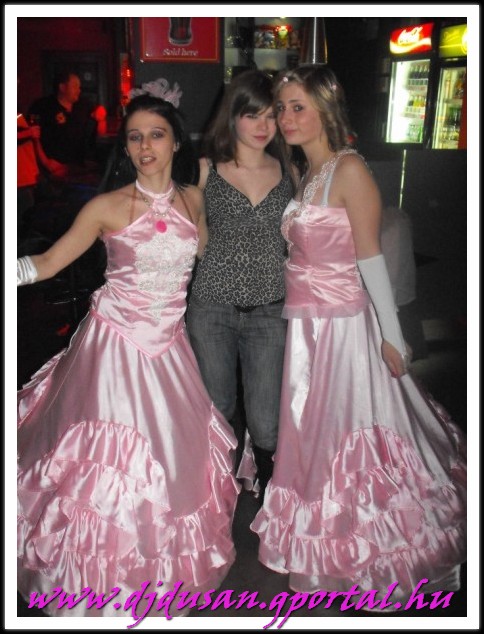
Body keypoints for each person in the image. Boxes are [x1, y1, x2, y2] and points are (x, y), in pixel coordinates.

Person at [250, 65, 466, 608]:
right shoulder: (309, 170)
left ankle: (373, 540)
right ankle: (323, 530)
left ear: (324, 108)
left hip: (341, 328)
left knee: (350, 432)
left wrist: (393, 337)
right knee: (313, 431)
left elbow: (371, 257)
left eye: (298, 106)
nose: (286, 118)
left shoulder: (348, 169)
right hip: (308, 326)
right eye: (282, 108)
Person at [17, 94, 240, 619]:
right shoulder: (106, 207)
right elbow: (47, 263)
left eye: (156, 134)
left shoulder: (194, 199)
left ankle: (155, 574)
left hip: (171, 351)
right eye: (135, 137)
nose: (145, 146)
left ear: (176, 141)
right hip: (114, 349)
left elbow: (202, 255)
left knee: (173, 464)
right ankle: (95, 580)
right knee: (104, 470)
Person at [185, 69, 297, 505]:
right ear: (233, 116)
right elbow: (190, 233)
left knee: (267, 420)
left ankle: (269, 498)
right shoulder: (205, 168)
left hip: (270, 309)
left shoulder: (290, 170)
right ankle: (216, 495)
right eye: (253, 115)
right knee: (218, 408)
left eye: (271, 115)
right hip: (212, 307)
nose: (263, 125)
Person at [28, 69, 97, 174]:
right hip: (53, 166)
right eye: (75, 86)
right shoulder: (43, 106)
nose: (79, 90)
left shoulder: (82, 104)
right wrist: (46, 162)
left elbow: (98, 111)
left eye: (79, 87)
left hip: (78, 166)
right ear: (62, 87)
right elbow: (32, 135)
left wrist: (100, 113)